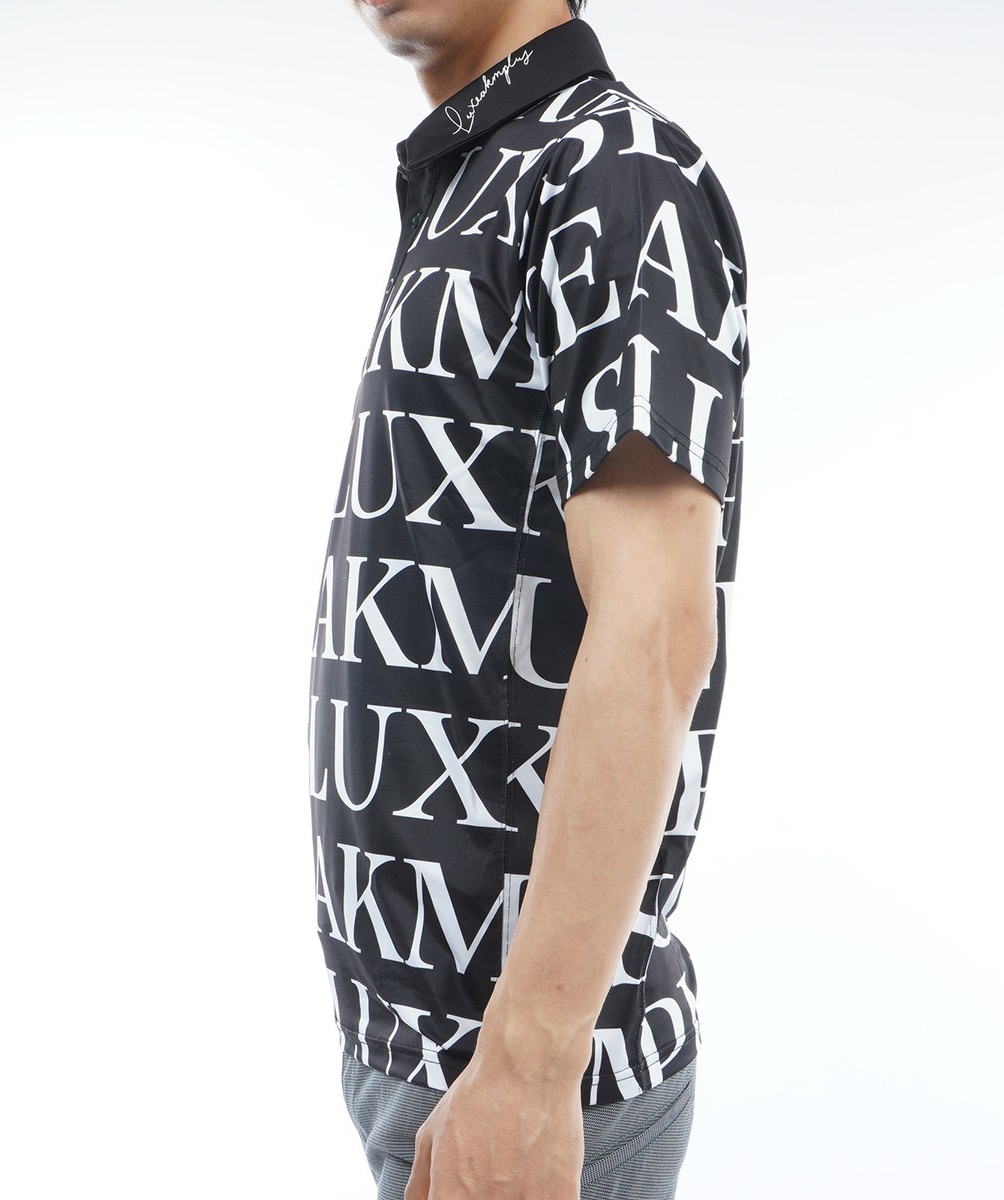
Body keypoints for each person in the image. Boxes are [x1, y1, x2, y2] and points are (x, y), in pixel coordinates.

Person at [310, 1, 749, 1195]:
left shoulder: (613, 171)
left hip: (524, 1083)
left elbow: (658, 630)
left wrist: (526, 1066)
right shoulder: (484, 176)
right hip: (435, 1066)